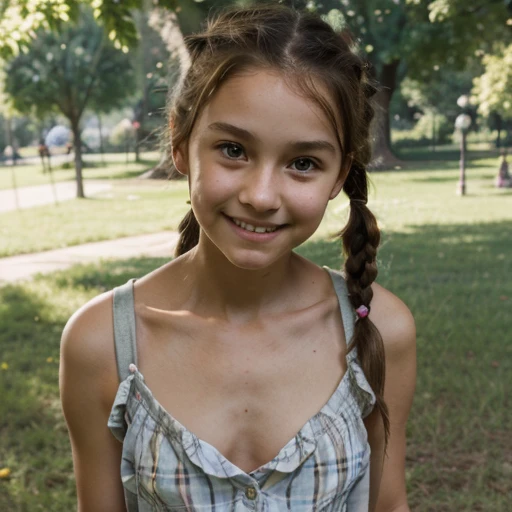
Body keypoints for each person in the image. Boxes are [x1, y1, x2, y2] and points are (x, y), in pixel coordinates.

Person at [59, 3, 416, 511]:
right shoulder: (102, 343)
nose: (262, 195)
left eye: (303, 163)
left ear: (339, 177)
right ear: (181, 144)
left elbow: (389, 504)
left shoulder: (380, 328)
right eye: (233, 149)